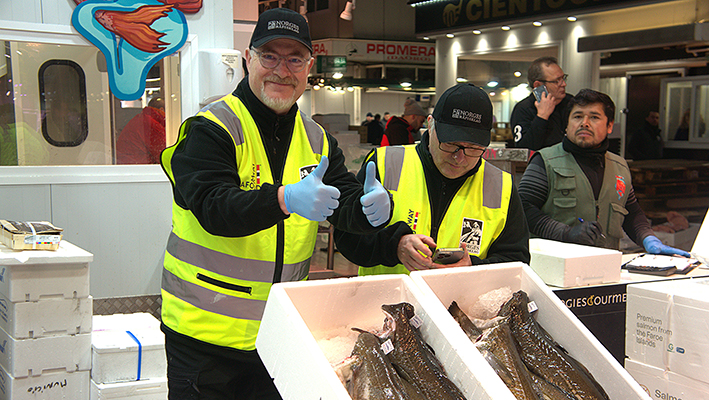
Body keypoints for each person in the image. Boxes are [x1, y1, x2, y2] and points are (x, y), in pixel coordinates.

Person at [158, 8, 392, 400]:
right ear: (248, 58)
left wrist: (369, 209)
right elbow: (214, 207)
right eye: (270, 56)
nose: (282, 70)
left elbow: (341, 201)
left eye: (294, 58)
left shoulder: (317, 139)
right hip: (204, 336)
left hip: (278, 333)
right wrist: (284, 199)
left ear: (309, 67)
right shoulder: (211, 128)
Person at [334, 83, 530, 275]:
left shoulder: (501, 186)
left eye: (472, 148)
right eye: (451, 144)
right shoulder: (387, 164)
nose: (459, 158)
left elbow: (516, 262)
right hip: (386, 301)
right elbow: (347, 238)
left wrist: (474, 268)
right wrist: (395, 246)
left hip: (458, 306)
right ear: (430, 124)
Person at [517, 89, 690, 257]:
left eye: (594, 117)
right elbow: (523, 208)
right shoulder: (545, 161)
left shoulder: (619, 167)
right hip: (554, 270)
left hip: (605, 269)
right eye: (577, 117)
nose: (584, 123)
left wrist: (648, 238)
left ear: (609, 126)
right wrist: (566, 232)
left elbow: (631, 211)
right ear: (567, 124)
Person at [511, 56, 573, 151]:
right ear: (538, 85)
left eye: (563, 78)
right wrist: (542, 117)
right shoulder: (523, 109)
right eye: (557, 81)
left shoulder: (572, 103)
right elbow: (523, 149)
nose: (564, 84)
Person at [116, 97, 166, 164]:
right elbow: (163, 156)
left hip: (128, 165)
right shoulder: (151, 124)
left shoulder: (143, 118)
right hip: (137, 168)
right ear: (162, 110)